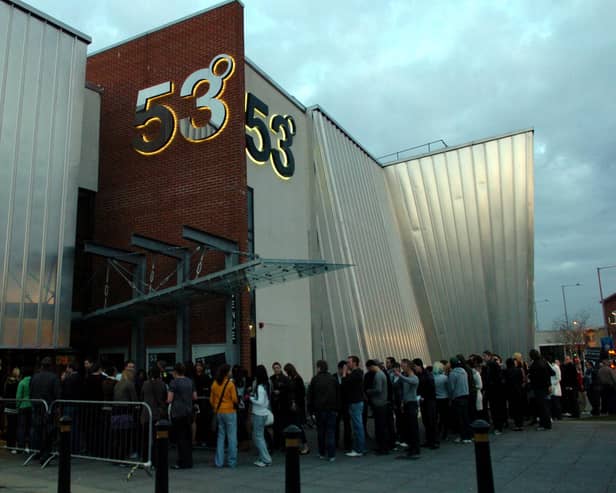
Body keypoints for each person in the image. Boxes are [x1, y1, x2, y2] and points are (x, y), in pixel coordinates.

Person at [30, 357, 61, 463]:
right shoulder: (54, 377)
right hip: (48, 408)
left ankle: (38, 451)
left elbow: (31, 392)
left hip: (37, 407)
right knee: (48, 431)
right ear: (51, 366)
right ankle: (45, 454)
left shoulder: (35, 377)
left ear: (42, 366)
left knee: (37, 430)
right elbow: (58, 395)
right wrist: (57, 407)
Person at [307, 360, 339, 462]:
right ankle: (331, 454)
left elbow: (310, 396)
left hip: (319, 410)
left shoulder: (315, 379)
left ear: (319, 368)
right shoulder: (333, 379)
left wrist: (310, 410)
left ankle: (321, 452)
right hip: (332, 409)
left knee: (321, 431)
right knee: (330, 431)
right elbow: (338, 394)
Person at [167, 362, 197, 469]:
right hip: (188, 412)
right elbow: (195, 397)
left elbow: (169, 399)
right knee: (187, 437)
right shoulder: (190, 381)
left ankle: (181, 461)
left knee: (180, 438)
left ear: (175, 372)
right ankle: (188, 461)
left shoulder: (174, 382)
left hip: (177, 412)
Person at [210, 363, 238, 468]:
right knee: (231, 436)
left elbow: (211, 400)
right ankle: (231, 461)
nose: (231, 372)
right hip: (230, 411)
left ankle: (219, 461)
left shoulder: (215, 384)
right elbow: (235, 399)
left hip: (219, 412)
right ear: (227, 372)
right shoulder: (230, 384)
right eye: (230, 371)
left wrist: (217, 406)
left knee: (220, 436)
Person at [141, 366, 167, 467]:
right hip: (158, 414)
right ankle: (157, 460)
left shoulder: (145, 384)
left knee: (146, 438)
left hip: (146, 413)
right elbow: (164, 398)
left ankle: (145, 459)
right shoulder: (162, 384)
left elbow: (141, 396)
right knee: (158, 438)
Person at [394, 359, 420, 459]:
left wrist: (399, 375)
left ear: (408, 366)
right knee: (408, 427)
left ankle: (415, 448)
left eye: (403, 366)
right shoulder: (405, 377)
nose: (402, 368)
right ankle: (411, 446)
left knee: (413, 427)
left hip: (412, 404)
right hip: (406, 404)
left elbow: (409, 381)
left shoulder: (414, 378)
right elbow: (397, 386)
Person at [249, 365, 272, 467]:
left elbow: (260, 401)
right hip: (263, 413)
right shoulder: (267, 385)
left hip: (258, 413)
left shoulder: (260, 387)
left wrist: (250, 398)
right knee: (259, 436)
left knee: (258, 437)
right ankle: (263, 457)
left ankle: (266, 459)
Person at [284, 363, 309, 455]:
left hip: (296, 406)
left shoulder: (297, 379)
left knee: (298, 426)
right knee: (295, 426)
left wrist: (295, 402)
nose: (286, 373)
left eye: (286, 371)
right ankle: (296, 445)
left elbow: (300, 393)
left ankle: (304, 445)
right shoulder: (294, 379)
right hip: (293, 406)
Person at [365, 359, 389, 454]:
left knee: (380, 427)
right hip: (382, 403)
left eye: (368, 368)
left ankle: (383, 448)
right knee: (381, 426)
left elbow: (378, 389)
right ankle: (383, 447)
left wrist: (369, 391)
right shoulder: (381, 374)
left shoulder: (378, 375)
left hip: (379, 403)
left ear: (371, 366)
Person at [343, 355, 366, 457]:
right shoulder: (357, 373)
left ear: (355, 363)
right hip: (356, 401)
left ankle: (359, 449)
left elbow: (345, 383)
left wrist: (344, 373)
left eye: (349, 362)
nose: (347, 364)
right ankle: (359, 448)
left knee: (357, 426)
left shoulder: (356, 373)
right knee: (357, 425)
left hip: (355, 402)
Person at [414, 358, 438, 449]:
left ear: (419, 365)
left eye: (415, 366)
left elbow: (431, 388)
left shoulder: (427, 375)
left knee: (431, 420)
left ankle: (434, 441)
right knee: (426, 421)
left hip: (429, 401)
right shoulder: (421, 375)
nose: (414, 368)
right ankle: (429, 440)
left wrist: (423, 396)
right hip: (424, 400)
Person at [448, 357, 472, 443]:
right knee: (466, 417)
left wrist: (450, 398)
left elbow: (451, 388)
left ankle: (463, 437)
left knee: (460, 418)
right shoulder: (464, 371)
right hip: (465, 396)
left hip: (457, 397)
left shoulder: (452, 374)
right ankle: (469, 435)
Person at [528, 349, 552, 430]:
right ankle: (547, 423)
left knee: (541, 407)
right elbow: (552, 372)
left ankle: (544, 424)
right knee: (545, 406)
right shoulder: (544, 362)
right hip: (545, 387)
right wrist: (549, 384)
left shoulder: (534, 365)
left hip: (538, 388)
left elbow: (531, 376)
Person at [269, 362, 290, 451]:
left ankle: (283, 444)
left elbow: (288, 390)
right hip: (275, 405)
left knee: (283, 425)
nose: (276, 369)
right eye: (274, 368)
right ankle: (276, 443)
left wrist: (280, 392)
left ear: (280, 368)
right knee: (275, 425)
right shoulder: (271, 378)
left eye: (277, 367)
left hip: (283, 405)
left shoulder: (285, 378)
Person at [334, 361, 352, 451]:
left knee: (347, 424)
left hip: (346, 404)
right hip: (336, 404)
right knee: (335, 424)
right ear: (340, 369)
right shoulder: (333, 377)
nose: (346, 370)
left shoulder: (349, 377)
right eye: (345, 368)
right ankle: (335, 442)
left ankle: (347, 443)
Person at [3, 367, 20, 451]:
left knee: (9, 426)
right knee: (14, 426)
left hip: (7, 406)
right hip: (14, 406)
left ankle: (8, 444)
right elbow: (18, 394)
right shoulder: (17, 383)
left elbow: (4, 393)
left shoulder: (7, 382)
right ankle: (13, 445)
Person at [504, 358, 524, 430]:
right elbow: (522, 380)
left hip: (510, 392)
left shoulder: (506, 371)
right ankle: (521, 424)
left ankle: (517, 424)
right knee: (519, 407)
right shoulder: (518, 370)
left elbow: (505, 381)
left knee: (514, 408)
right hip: (519, 390)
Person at [433, 361, 450, 442]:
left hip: (436, 399)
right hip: (445, 398)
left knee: (438, 417)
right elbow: (448, 388)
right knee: (445, 417)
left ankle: (438, 431)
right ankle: (445, 434)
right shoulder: (445, 378)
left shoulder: (433, 378)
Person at [16, 366, 33, 452]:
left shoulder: (22, 382)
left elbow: (18, 396)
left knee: (21, 427)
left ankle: (20, 447)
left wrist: (17, 406)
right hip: (32, 406)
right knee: (30, 427)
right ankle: (30, 446)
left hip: (23, 406)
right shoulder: (33, 381)